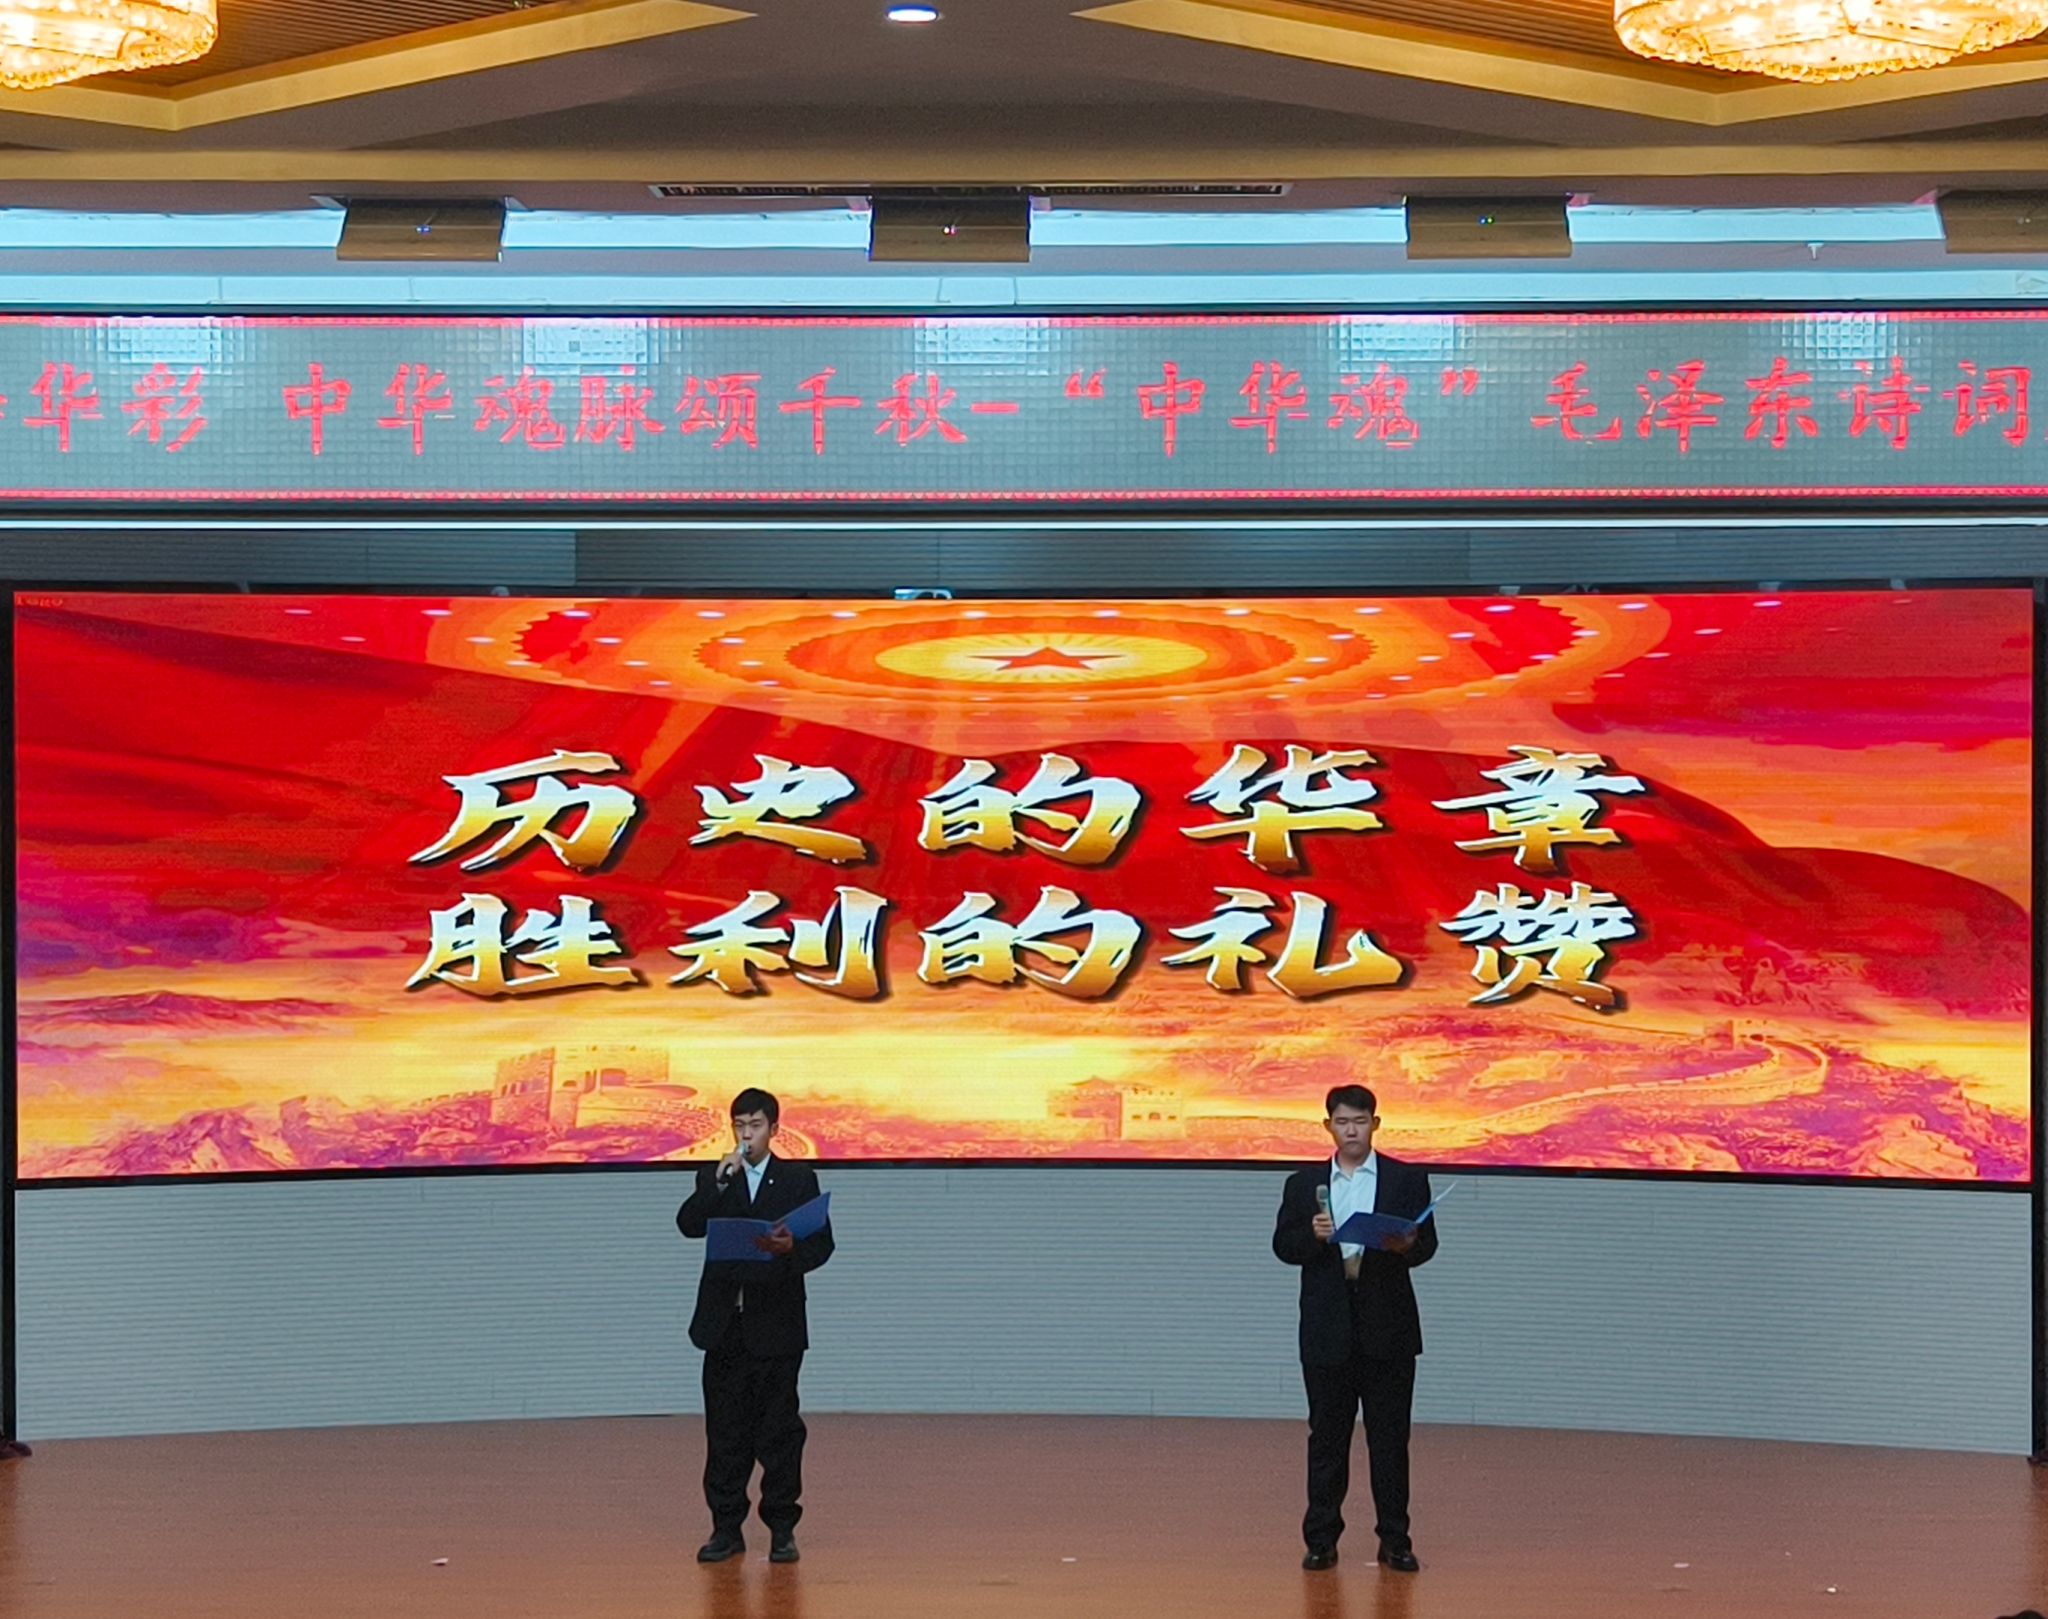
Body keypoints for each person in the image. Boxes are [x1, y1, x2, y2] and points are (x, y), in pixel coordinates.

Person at [1273, 1083, 1439, 1575]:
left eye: (1360, 1122)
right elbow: (1283, 1246)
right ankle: (1321, 1541)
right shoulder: (1303, 1184)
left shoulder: (1406, 1179)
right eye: (1342, 1122)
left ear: (1375, 1125)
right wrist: (1313, 1235)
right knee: (1327, 1440)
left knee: (1390, 1441)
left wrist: (1405, 1244)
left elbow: (1426, 1246)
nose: (1351, 1131)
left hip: (1388, 1329)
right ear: (1328, 1126)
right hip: (1327, 1329)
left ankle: (1395, 1541)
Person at [676, 1087, 834, 1566]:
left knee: (779, 1433)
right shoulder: (715, 1176)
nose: (747, 1135)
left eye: (756, 1126)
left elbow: (821, 1246)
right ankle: (726, 1529)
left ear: (774, 1129)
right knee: (725, 1432)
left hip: (776, 1327)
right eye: (739, 1126)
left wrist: (791, 1250)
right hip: (724, 1326)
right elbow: (688, 1224)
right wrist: (718, 1183)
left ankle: (782, 1529)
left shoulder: (798, 1178)